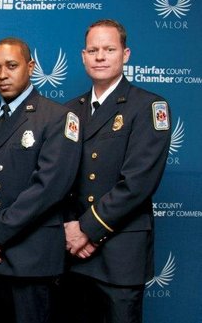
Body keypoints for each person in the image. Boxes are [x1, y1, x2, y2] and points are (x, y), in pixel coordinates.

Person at [0, 37, 81, 323]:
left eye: (11, 66)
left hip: (31, 261)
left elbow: (48, 188)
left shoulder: (58, 117)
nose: (2, 75)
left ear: (31, 67)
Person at [62, 19, 171, 323]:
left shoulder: (149, 106)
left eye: (109, 49)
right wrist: (70, 228)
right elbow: (58, 179)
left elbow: (138, 183)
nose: (100, 56)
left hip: (120, 251)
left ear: (125, 54)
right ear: (83, 56)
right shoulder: (69, 112)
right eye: (93, 50)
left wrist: (87, 230)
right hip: (73, 252)